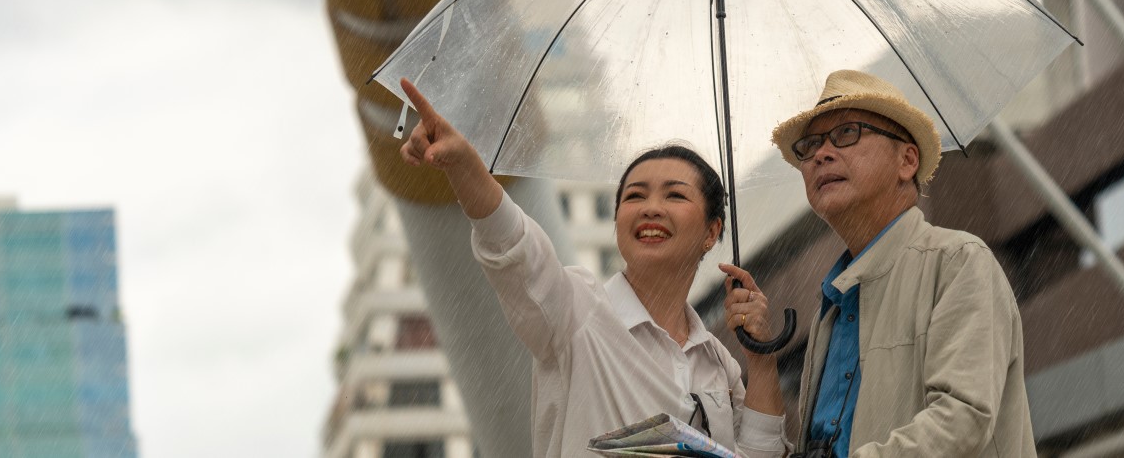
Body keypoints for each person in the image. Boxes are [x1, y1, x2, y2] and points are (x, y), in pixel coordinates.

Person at [397, 78, 794, 457]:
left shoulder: (716, 361)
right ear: (617, 220)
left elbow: (762, 453)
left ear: (712, 232)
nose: (651, 208)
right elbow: (516, 249)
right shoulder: (577, 311)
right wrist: (466, 166)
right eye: (635, 196)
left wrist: (760, 359)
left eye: (674, 195)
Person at [751, 69, 1035, 456]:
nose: (821, 153)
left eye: (847, 133)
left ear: (907, 160)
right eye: (810, 144)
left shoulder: (958, 262)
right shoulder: (829, 310)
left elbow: (962, 418)